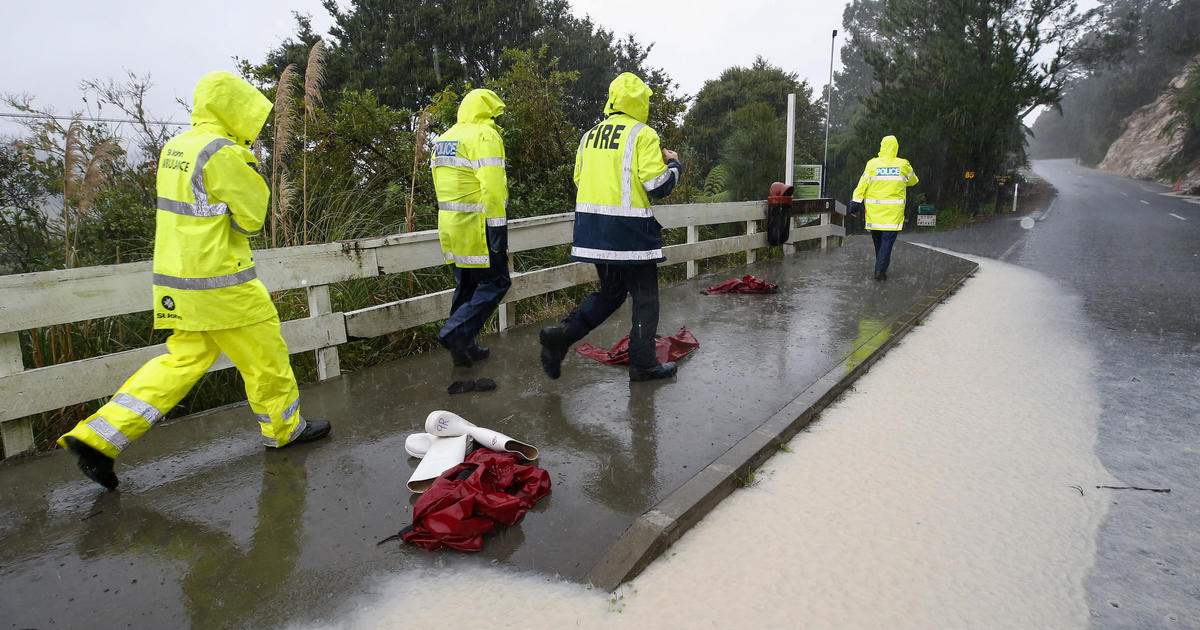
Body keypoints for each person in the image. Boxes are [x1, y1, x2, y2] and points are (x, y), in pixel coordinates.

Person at [57, 71, 330, 490]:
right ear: (235, 108)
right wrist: (250, 170)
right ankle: (284, 430)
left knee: (179, 361)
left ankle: (97, 437)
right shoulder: (223, 153)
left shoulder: (175, 148)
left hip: (177, 283)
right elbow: (253, 218)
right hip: (222, 282)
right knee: (266, 357)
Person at [539, 73, 682, 382]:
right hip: (629, 233)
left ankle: (561, 336)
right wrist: (673, 165)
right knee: (645, 299)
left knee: (611, 294)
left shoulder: (589, 136)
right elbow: (657, 186)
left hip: (594, 231)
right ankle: (643, 364)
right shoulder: (643, 134)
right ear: (640, 102)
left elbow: (580, 180)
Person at [432, 89, 512, 367]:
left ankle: (463, 350)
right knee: (497, 281)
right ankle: (455, 333)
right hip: (477, 226)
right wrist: (497, 228)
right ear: (487, 111)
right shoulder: (485, 135)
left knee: (465, 286)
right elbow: (492, 188)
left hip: (450, 226)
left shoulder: (443, 139)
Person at [848, 135, 918, 280]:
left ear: (881, 147)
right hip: (893, 215)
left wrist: (854, 206)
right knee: (887, 243)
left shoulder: (872, 164)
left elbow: (861, 186)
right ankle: (880, 271)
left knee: (879, 243)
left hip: (875, 214)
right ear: (896, 147)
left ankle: (880, 267)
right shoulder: (903, 164)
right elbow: (913, 181)